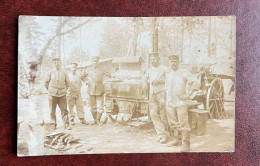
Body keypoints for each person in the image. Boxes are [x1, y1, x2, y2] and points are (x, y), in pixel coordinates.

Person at [165, 55, 199, 151]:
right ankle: (177, 139)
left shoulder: (184, 72)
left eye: (175, 61)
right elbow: (166, 89)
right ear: (169, 63)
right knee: (173, 123)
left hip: (181, 103)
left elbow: (196, 82)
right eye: (171, 61)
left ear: (178, 62)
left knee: (183, 123)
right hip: (170, 103)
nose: (173, 63)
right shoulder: (168, 74)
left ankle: (186, 144)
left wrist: (188, 94)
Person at [143, 52, 169, 144]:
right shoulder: (149, 70)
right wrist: (144, 81)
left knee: (163, 114)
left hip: (162, 93)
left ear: (159, 59)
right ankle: (161, 134)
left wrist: (159, 81)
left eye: (154, 59)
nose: (153, 61)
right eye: (151, 59)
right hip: (152, 94)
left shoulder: (164, 69)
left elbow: (169, 79)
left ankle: (165, 134)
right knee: (153, 114)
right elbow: (145, 78)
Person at [44, 58, 71, 130]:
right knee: (52, 111)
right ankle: (53, 124)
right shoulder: (50, 72)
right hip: (52, 95)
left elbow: (68, 83)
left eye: (58, 62)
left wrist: (64, 90)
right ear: (53, 64)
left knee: (64, 110)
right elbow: (46, 83)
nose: (57, 64)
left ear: (60, 63)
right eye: (55, 63)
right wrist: (50, 90)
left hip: (62, 95)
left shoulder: (64, 72)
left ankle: (66, 124)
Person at [83, 56, 106, 125]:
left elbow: (109, 74)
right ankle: (95, 120)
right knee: (92, 106)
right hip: (91, 90)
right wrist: (85, 81)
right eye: (94, 61)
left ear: (98, 62)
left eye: (96, 61)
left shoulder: (102, 69)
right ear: (91, 62)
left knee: (100, 106)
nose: (95, 62)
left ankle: (98, 120)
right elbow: (82, 76)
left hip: (100, 90)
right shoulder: (88, 69)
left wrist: (113, 75)